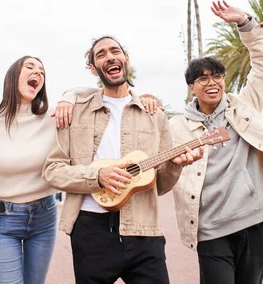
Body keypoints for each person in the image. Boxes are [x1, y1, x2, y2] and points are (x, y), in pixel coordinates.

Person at [169, 0, 263, 284]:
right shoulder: (177, 126)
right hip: (210, 229)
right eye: (202, 79)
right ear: (191, 87)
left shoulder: (243, 106)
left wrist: (246, 24)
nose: (212, 82)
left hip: (251, 220)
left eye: (217, 76)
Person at [42, 35, 202, 284]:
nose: (109, 56)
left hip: (144, 230)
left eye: (115, 51)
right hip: (90, 230)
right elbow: (52, 170)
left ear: (125, 58)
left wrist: (174, 166)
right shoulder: (75, 111)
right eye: (101, 54)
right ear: (93, 68)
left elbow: (159, 185)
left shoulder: (155, 115)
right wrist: (96, 177)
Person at [0, 56, 76, 284]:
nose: (38, 73)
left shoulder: (54, 117)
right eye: (30, 67)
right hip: (3, 218)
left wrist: (68, 97)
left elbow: (91, 96)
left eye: (42, 72)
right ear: (13, 76)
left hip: (44, 216)